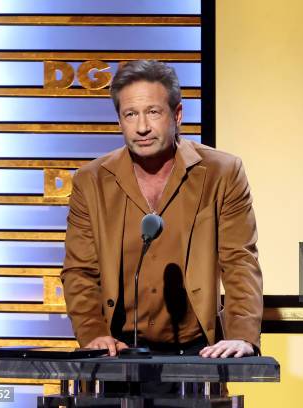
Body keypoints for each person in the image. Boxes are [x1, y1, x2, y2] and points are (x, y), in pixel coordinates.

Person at [61, 60, 263, 359]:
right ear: (119, 120)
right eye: (131, 115)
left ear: (177, 114)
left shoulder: (222, 172)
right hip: (117, 353)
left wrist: (242, 336)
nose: (142, 127)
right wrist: (94, 334)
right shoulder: (91, 181)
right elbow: (80, 271)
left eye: (153, 112)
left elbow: (239, 261)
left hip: (198, 351)